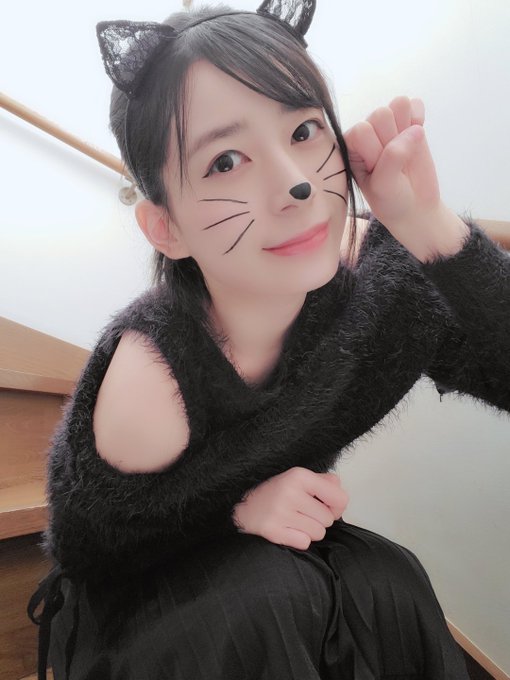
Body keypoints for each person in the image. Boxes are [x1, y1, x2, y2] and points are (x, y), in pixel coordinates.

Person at [28, 1, 510, 679]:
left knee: (389, 581)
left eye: (306, 130)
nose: (296, 183)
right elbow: (92, 551)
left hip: (269, 558)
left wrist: (429, 224)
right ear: (166, 228)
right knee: (266, 600)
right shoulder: (154, 376)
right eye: (225, 161)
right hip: (142, 591)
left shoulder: (389, 282)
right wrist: (233, 510)